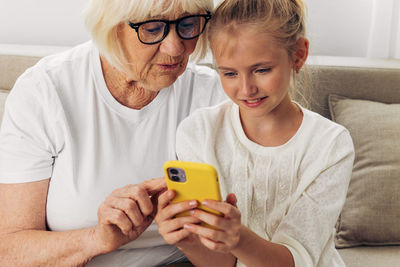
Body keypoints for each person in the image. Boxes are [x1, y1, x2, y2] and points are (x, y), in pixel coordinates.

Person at [0, 0, 227, 266]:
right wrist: (97, 239)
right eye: (153, 29)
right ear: (110, 28)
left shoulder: (215, 94)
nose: (176, 48)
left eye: (189, 24)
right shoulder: (45, 90)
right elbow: (9, 249)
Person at [155, 0, 355, 266]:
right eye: (229, 73)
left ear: (298, 55)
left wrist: (238, 238)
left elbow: (298, 259)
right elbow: (221, 264)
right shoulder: (198, 131)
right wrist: (185, 239)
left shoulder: (331, 144)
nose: (247, 89)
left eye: (261, 70)